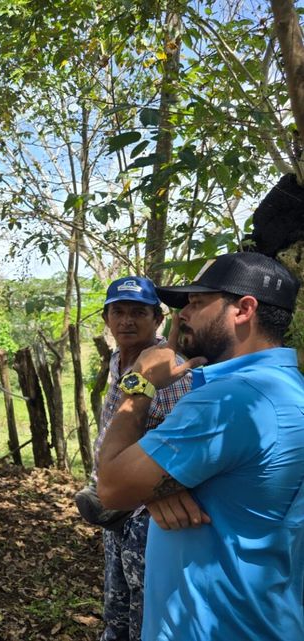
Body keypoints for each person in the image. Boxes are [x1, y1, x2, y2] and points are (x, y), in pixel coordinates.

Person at [97, 252, 304, 641]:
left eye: (197, 303)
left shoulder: (230, 401)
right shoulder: (288, 389)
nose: (182, 316)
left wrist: (139, 381)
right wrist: (160, 485)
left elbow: (112, 485)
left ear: (243, 309)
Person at [75, 276, 192, 641]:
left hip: (149, 511)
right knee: (116, 607)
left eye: (138, 313)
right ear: (107, 320)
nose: (127, 321)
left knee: (146, 607)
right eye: (119, 312)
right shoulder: (118, 361)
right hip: (116, 502)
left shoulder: (169, 369)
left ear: (157, 320)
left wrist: (157, 492)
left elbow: (181, 441)